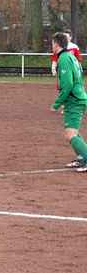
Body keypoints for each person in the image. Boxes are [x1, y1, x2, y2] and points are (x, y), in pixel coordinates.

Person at [50, 32, 87, 171]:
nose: (52, 46)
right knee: (73, 132)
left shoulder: (64, 58)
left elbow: (68, 85)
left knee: (70, 134)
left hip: (75, 100)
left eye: (52, 43)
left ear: (57, 44)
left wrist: (57, 104)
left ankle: (86, 158)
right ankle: (82, 158)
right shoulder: (70, 56)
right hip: (77, 98)